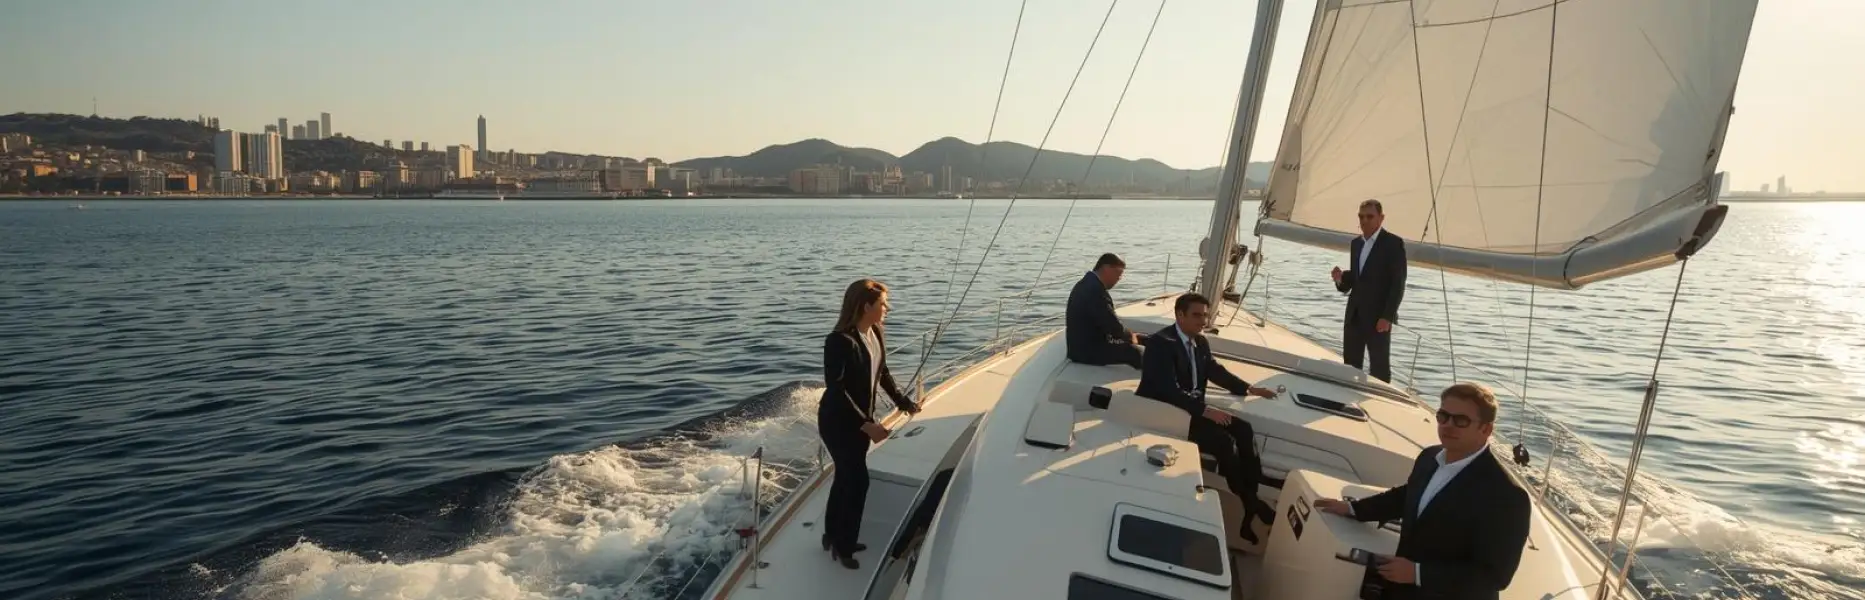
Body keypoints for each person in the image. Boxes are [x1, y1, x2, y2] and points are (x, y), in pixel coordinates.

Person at [1313, 383, 1531, 600]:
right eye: (1443, 416)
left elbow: (1494, 576)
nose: (1448, 425)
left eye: (1461, 420)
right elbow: (1409, 495)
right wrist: (1354, 508)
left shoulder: (1507, 496)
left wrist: (1418, 573)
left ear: (1486, 429)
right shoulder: (1429, 457)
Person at [1136, 292, 1280, 543]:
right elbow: (1167, 390)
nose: (1203, 321)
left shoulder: (1200, 342)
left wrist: (1249, 388)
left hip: (1191, 408)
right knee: (1224, 442)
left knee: (1244, 429)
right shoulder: (1161, 344)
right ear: (1179, 315)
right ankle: (1253, 503)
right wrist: (1206, 411)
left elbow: (1215, 371)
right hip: (1167, 411)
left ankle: (1251, 500)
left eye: (1205, 315)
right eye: (1196, 315)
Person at [817, 278, 920, 569]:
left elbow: (882, 372)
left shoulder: (875, 332)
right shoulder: (839, 341)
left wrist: (903, 402)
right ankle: (844, 546)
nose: (888, 308)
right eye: (883, 303)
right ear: (866, 306)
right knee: (858, 481)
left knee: (845, 477)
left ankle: (831, 535)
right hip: (838, 423)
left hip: (860, 421)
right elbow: (836, 390)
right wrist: (867, 424)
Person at [1330, 199, 1407, 382]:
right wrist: (1340, 279)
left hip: (1378, 317)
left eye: (1369, 217)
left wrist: (1387, 316)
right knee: (1350, 366)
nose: (1364, 220)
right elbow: (1358, 278)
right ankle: (1349, 395)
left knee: (1379, 368)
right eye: (1361, 216)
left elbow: (1398, 283)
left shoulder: (1393, 243)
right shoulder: (1356, 243)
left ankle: (1380, 398)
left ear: (1381, 218)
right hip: (1354, 315)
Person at [1067, 253, 1147, 369]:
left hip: (1088, 342)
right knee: (1137, 352)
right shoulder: (1095, 290)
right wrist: (1130, 337)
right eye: (1118, 273)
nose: (1119, 278)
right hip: (1087, 351)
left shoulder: (1087, 283)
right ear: (1106, 268)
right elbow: (1112, 326)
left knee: (1144, 339)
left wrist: (1130, 335)